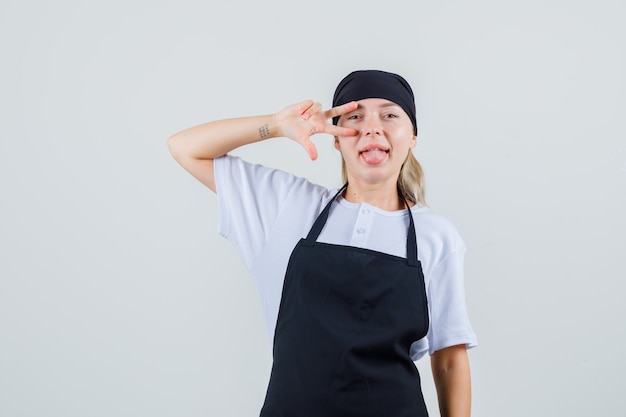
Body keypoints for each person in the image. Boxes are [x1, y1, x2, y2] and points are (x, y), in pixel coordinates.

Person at [168, 70, 477, 417]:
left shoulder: (436, 234)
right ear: (336, 138)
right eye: (355, 117)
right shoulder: (288, 206)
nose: (372, 128)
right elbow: (184, 148)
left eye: (390, 115)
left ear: (413, 137)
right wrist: (276, 125)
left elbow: (450, 358)